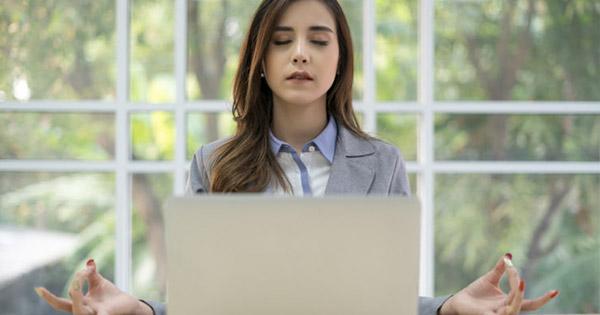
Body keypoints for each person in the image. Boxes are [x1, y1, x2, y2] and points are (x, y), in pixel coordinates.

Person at [35, 0, 560, 314]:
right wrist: (144, 310)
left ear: (340, 59)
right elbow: (206, 306)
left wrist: (446, 308)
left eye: (318, 39)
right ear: (261, 61)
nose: (300, 53)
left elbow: (383, 305)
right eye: (282, 41)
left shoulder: (382, 163)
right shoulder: (212, 163)